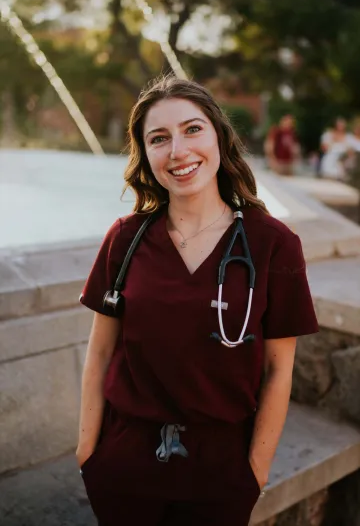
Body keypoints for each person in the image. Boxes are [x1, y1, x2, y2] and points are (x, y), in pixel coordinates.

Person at [77, 75, 319, 526]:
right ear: (146, 154)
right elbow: (101, 352)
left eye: (192, 129)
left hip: (220, 473)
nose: (178, 151)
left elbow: (278, 369)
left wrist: (254, 472)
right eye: (159, 138)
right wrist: (88, 452)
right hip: (124, 466)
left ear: (218, 137)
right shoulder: (125, 239)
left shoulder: (272, 245)